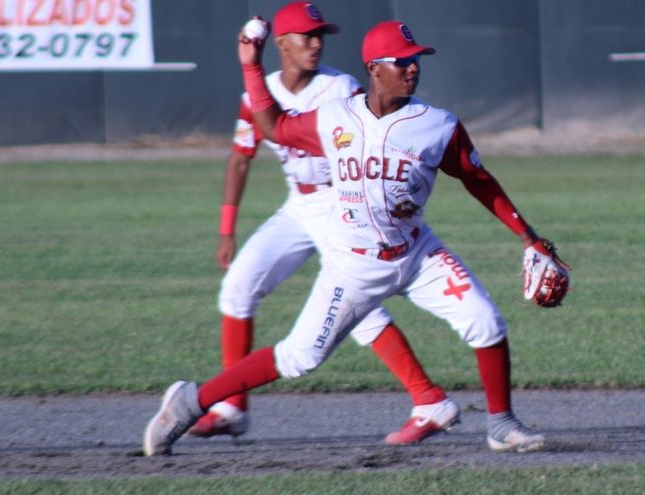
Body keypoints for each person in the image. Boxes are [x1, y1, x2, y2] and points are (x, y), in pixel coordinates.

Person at [144, 18, 556, 456]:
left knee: (486, 322)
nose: (413, 68)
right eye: (402, 61)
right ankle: (192, 401)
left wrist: (527, 236)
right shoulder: (335, 116)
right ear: (374, 68)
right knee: (298, 358)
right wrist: (251, 66)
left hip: (418, 253)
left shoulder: (438, 125)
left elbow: (478, 179)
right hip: (353, 263)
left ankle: (501, 424)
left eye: (416, 60)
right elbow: (275, 127)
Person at [189, 2, 457, 446]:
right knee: (237, 288)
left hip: (342, 202)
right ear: (282, 44)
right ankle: (232, 406)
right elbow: (240, 158)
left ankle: (427, 397)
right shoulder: (258, 94)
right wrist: (226, 229)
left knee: (359, 308)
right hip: (299, 204)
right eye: (308, 36)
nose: (317, 44)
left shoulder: (340, 87)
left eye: (321, 36)